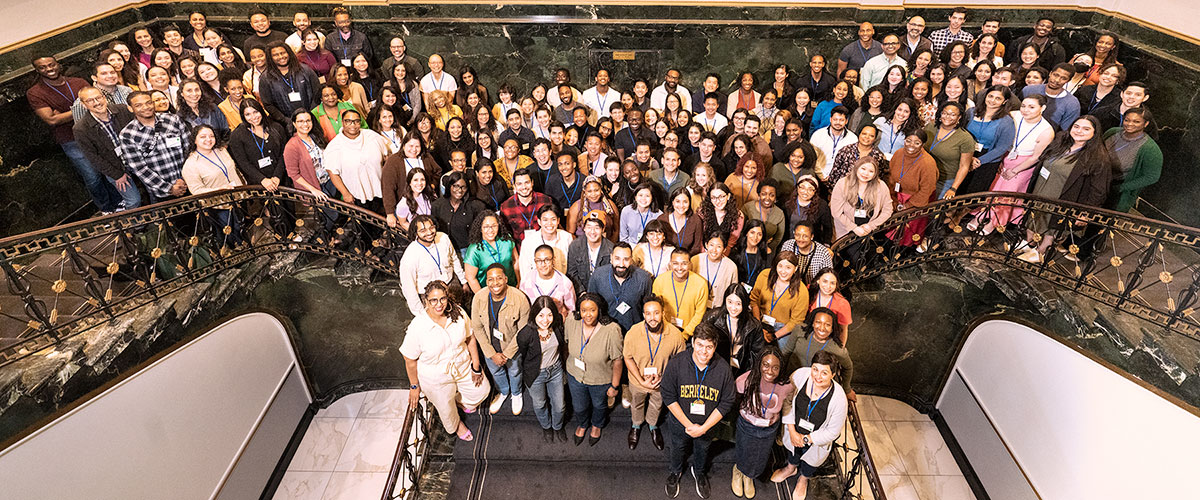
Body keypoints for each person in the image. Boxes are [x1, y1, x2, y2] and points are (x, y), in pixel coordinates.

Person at [1016, 116, 1115, 263]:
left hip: (1064, 197)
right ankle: (1030, 243)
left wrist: (1086, 213)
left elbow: (1099, 190)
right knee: (1033, 218)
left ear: (1095, 133)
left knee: (1052, 227)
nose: (1079, 131)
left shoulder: (1098, 158)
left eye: (1086, 129)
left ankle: (1041, 251)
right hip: (1041, 190)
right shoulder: (1061, 141)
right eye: (1076, 126)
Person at [29, 56, 123, 212]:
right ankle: (106, 208)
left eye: (51, 64)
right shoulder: (35, 92)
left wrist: (63, 114)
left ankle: (120, 202)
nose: (49, 69)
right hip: (70, 140)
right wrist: (82, 109)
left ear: (58, 64)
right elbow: (51, 120)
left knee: (109, 169)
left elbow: (99, 103)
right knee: (92, 177)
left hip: (97, 134)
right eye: (43, 67)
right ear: (37, 70)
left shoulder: (78, 82)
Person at [403, 280, 490, 442]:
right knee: (446, 409)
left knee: (482, 390)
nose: (439, 304)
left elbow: (470, 337)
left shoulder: (457, 313)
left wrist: (476, 365)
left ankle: (459, 401)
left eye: (442, 299)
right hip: (436, 377)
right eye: (433, 300)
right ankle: (457, 425)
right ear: (426, 301)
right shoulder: (418, 327)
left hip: (462, 365)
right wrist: (414, 386)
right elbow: (409, 359)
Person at [660, 322, 736, 499]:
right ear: (693, 342)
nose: (704, 351)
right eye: (700, 345)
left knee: (703, 448)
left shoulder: (723, 369)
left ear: (715, 347)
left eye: (709, 347)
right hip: (680, 423)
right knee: (677, 447)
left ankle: (700, 472)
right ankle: (675, 472)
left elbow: (727, 401)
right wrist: (688, 425)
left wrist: (703, 428)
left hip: (707, 426)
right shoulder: (677, 363)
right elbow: (668, 396)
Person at [769, 350, 849, 500]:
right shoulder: (800, 375)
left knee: (810, 462)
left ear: (833, 374)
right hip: (795, 429)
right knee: (792, 452)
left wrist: (806, 439)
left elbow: (833, 432)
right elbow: (787, 400)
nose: (817, 376)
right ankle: (790, 468)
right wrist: (792, 431)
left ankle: (803, 479)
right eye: (815, 369)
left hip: (816, 439)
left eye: (824, 373)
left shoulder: (839, 399)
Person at [975, 95, 1054, 235]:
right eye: (1023, 106)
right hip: (1005, 155)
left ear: (1043, 108)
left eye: (1031, 107)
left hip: (1024, 164)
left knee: (1007, 194)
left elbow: (1036, 157)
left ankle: (995, 223)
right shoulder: (1013, 115)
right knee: (993, 187)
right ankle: (982, 214)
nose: (1026, 110)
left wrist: (1015, 170)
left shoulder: (1047, 130)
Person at [624, 296, 686, 450]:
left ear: (663, 313)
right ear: (643, 315)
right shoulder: (633, 332)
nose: (652, 318)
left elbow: (679, 362)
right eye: (648, 314)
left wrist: (664, 378)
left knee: (657, 404)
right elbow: (627, 357)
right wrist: (640, 380)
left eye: (656, 313)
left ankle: (652, 425)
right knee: (636, 403)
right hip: (637, 381)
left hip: (662, 383)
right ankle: (636, 425)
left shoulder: (675, 335)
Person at [469, 264, 531, 415]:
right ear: (486, 281)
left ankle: (516, 393)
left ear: (506, 279)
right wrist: (491, 353)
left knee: (515, 371)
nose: (495, 283)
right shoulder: (479, 298)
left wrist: (508, 353)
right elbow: (477, 327)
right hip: (490, 348)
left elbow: (523, 331)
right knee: (496, 372)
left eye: (498, 278)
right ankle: (504, 392)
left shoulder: (520, 298)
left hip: (512, 348)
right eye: (491, 279)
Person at [731, 344, 792, 498]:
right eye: (765, 365)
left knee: (760, 456)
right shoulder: (744, 380)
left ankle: (749, 476)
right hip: (747, 425)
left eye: (775, 367)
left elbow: (788, 406)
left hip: (769, 428)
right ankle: (739, 471)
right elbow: (736, 401)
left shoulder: (786, 386)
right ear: (759, 364)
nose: (770, 371)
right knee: (743, 452)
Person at [565, 293, 625, 446]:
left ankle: (597, 425)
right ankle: (583, 424)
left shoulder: (612, 330)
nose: (588, 315)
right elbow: (566, 344)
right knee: (579, 406)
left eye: (592, 310)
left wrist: (614, 386)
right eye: (584, 310)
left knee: (599, 405)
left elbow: (618, 361)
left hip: (600, 380)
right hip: (575, 376)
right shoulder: (572, 321)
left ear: (599, 310)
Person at [73, 87, 142, 210]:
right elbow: (93, 157)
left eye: (98, 98)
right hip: (114, 168)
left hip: (137, 159)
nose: (97, 102)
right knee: (133, 201)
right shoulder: (81, 128)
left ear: (104, 98)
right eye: (90, 100)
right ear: (84, 105)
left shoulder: (122, 110)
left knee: (153, 190)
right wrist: (117, 175)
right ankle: (135, 227)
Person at [116, 91, 190, 203]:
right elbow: (139, 168)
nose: (145, 107)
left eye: (148, 103)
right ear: (130, 108)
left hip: (188, 182)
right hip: (162, 192)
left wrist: (185, 179)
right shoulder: (127, 134)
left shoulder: (172, 120)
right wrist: (170, 188)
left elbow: (189, 148)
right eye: (138, 105)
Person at [516, 296, 569, 442]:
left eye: (549, 314)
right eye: (541, 315)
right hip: (536, 374)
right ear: (534, 314)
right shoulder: (525, 334)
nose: (545, 320)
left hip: (556, 370)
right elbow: (524, 355)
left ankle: (557, 427)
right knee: (539, 404)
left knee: (560, 406)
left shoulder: (557, 325)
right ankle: (546, 427)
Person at [398, 214, 467, 315]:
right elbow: (409, 289)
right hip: (429, 297)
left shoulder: (443, 238)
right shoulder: (410, 256)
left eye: (431, 227)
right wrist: (420, 314)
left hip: (450, 285)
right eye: (423, 231)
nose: (429, 232)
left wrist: (463, 281)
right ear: (415, 233)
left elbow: (454, 259)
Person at [324, 109, 388, 214]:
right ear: (342, 122)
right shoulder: (335, 146)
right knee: (364, 226)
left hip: (379, 190)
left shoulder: (372, 136)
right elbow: (332, 173)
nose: (353, 124)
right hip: (356, 195)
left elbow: (386, 157)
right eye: (348, 121)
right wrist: (345, 194)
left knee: (383, 220)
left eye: (356, 121)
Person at [284, 109, 340, 228]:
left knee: (332, 211)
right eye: (300, 121)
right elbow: (293, 174)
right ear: (294, 124)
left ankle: (332, 235)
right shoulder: (292, 145)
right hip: (315, 186)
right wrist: (312, 190)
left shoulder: (315, 137)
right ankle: (324, 238)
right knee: (331, 214)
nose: (305, 124)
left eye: (308, 120)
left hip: (329, 181)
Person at [960, 86, 1017, 195]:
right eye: (990, 96)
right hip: (966, 152)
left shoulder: (1007, 121)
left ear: (1004, 101)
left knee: (974, 193)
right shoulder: (971, 112)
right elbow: (961, 132)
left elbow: (1002, 147)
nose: (992, 100)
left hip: (988, 159)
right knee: (959, 187)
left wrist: (979, 161)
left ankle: (967, 212)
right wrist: (969, 157)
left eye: (998, 98)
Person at [749, 249, 811, 346]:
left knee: (782, 353)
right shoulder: (764, 275)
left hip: (783, 328)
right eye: (780, 266)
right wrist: (758, 326)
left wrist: (774, 336)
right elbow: (754, 300)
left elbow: (796, 322)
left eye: (788, 267)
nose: (783, 271)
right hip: (759, 319)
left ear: (795, 269)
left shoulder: (802, 291)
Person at [1104, 108, 1161, 213]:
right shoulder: (1112, 132)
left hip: (1115, 191)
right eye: (1127, 120)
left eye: (1136, 121)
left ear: (1146, 124)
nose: (1130, 124)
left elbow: (1152, 177)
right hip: (1096, 181)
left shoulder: (1150, 148)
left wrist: (1121, 188)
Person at [227, 99, 287, 194]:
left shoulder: (277, 127)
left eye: (255, 112)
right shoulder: (237, 135)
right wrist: (262, 179)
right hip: (259, 183)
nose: (253, 117)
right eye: (248, 114)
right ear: (243, 116)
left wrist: (277, 176)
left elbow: (284, 154)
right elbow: (243, 163)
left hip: (282, 179)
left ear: (261, 110)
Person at [830, 157, 894, 240]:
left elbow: (888, 210)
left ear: (875, 174)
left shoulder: (881, 186)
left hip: (871, 231)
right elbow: (836, 212)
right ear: (856, 168)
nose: (866, 173)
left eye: (871, 171)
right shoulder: (842, 184)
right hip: (847, 231)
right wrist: (854, 228)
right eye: (863, 169)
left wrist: (871, 226)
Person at [924, 102, 976, 199]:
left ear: (959, 117)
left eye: (953, 115)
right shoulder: (931, 127)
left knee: (933, 208)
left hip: (944, 180)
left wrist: (953, 188)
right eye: (945, 113)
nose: (947, 117)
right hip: (925, 174)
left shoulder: (965, 138)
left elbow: (964, 166)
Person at [653, 248, 709, 338]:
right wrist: (666, 330)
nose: (679, 268)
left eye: (684, 263)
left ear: (690, 264)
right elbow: (656, 309)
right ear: (670, 264)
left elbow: (700, 313)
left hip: (690, 332)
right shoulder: (659, 281)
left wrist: (685, 334)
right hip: (664, 330)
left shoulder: (701, 284)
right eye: (675, 263)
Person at [259, 42, 321, 120]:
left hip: (311, 118)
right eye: (275, 55)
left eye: (283, 53)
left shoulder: (305, 70)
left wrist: (311, 114)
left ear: (289, 53)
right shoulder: (266, 78)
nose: (281, 57)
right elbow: (268, 104)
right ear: (270, 57)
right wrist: (285, 120)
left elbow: (317, 93)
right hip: (285, 123)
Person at [463, 210, 519, 290]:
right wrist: (483, 297)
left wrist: (519, 282)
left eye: (494, 226)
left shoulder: (506, 240)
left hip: (511, 287)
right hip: (488, 292)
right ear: (480, 228)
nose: (490, 230)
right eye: (486, 227)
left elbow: (516, 260)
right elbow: (470, 278)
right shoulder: (474, 249)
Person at [520, 244, 578, 316]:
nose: (543, 264)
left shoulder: (565, 283)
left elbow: (571, 312)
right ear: (535, 261)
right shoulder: (526, 281)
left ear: (553, 260)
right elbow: (522, 310)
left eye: (547, 260)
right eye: (539, 261)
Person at [517, 205, 573, 278]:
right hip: (536, 284)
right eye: (545, 220)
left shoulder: (566, 237)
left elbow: (572, 266)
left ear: (558, 221)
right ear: (539, 222)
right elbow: (525, 271)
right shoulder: (528, 242)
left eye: (553, 219)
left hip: (563, 283)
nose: (549, 223)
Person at [500, 168, 553, 243]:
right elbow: (506, 236)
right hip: (520, 250)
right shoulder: (506, 207)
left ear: (532, 183)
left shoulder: (545, 201)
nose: (524, 187)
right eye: (519, 184)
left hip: (544, 248)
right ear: (514, 186)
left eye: (527, 182)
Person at [1022, 63, 1081, 131]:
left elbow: (1065, 131)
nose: (1057, 80)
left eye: (1063, 78)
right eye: (1055, 75)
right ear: (1050, 73)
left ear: (1068, 80)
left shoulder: (1072, 103)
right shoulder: (1029, 90)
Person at [569, 214, 615, 294]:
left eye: (597, 228)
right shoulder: (575, 246)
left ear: (603, 229)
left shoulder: (611, 249)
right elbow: (572, 272)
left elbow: (611, 277)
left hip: (603, 293)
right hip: (581, 292)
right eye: (589, 227)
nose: (592, 232)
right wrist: (581, 291)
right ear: (584, 228)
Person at [810, 106, 857, 181]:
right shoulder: (818, 135)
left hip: (841, 180)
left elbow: (852, 163)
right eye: (835, 119)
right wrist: (822, 176)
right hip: (818, 177)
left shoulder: (853, 139)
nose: (838, 123)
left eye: (841, 120)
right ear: (830, 119)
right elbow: (812, 158)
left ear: (846, 121)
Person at [691, 234, 738, 309]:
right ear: (706, 245)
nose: (714, 250)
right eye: (711, 245)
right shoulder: (695, 260)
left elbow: (733, 292)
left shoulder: (731, 267)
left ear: (724, 249)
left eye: (719, 246)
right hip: (695, 306)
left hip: (718, 309)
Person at [809, 268, 853, 344]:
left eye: (832, 283)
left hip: (828, 340)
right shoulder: (810, 292)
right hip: (810, 335)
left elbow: (843, 330)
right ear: (818, 281)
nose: (828, 286)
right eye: (825, 281)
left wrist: (840, 349)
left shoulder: (842, 304)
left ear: (836, 285)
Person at [659, 186, 705, 255]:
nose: (681, 205)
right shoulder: (661, 219)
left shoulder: (696, 220)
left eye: (685, 202)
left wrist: (684, 259)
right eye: (677, 201)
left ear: (689, 203)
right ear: (672, 202)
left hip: (688, 260)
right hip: (666, 260)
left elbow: (696, 247)